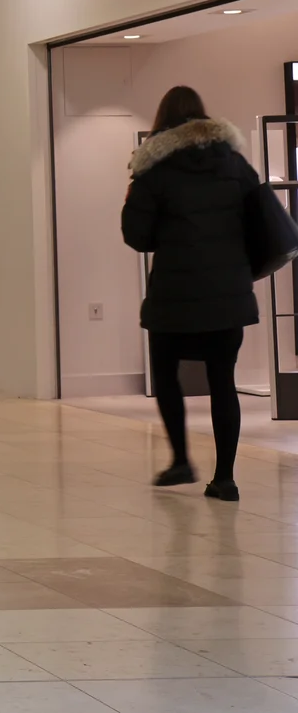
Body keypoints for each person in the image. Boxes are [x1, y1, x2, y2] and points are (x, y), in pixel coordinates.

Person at [121, 85, 260, 502]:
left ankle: (181, 459)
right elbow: (259, 222)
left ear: (161, 122)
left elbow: (137, 236)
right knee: (223, 380)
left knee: (166, 373)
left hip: (174, 294)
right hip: (228, 292)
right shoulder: (235, 164)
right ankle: (225, 478)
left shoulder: (155, 170)